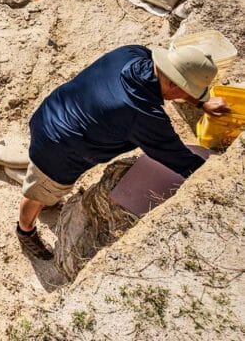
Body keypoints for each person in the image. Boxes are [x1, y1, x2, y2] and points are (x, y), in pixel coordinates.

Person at [16, 44, 230, 260]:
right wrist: (219, 179)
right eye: (189, 91)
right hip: (57, 147)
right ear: (175, 85)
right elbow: (180, 159)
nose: (186, 96)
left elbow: (172, 82)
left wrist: (202, 103)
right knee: (40, 191)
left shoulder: (132, 53)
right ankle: (25, 231)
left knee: (47, 190)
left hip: (54, 109)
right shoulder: (142, 113)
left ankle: (47, 201)